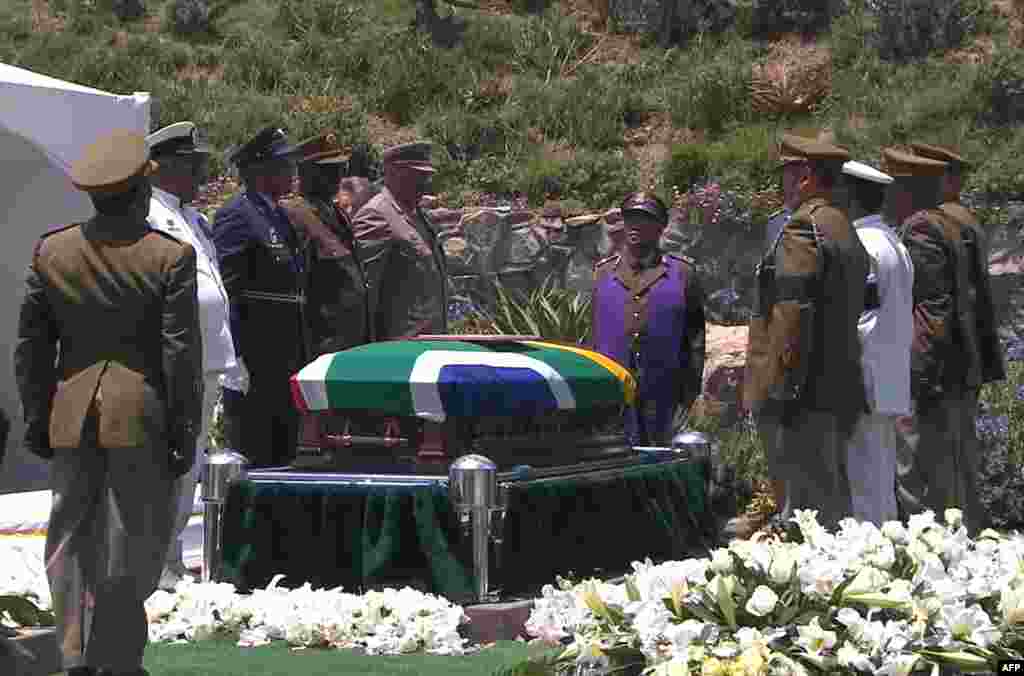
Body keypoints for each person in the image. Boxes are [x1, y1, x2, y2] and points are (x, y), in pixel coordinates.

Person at [14, 129, 202, 676]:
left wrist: (36, 415)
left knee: (67, 537)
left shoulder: (53, 249)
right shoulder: (169, 257)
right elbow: (179, 355)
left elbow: (31, 347)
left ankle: (72, 654)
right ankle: (117, 658)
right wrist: (184, 429)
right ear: (143, 189)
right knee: (133, 540)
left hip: (70, 413)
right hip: (140, 415)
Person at [742, 132, 870, 530]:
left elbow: (791, 316)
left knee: (803, 509)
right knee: (831, 494)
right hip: (837, 381)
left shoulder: (802, 227)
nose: (782, 183)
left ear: (806, 176)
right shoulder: (841, 225)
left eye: (787, 173)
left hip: (802, 391)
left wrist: (779, 386)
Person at [145, 121, 237, 590]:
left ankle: (173, 558)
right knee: (166, 461)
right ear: (162, 167)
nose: (201, 173)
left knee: (190, 462)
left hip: (204, 358)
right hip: (171, 360)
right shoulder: (147, 214)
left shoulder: (193, 218)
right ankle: (156, 564)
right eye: (192, 165)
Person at [887, 147, 997, 533]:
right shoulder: (962, 221)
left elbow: (932, 308)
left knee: (918, 468)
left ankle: (930, 548)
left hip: (934, 367)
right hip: (966, 361)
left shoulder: (921, 228)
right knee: (961, 463)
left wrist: (918, 372)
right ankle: (968, 542)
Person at [211, 126, 307, 468]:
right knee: (256, 450)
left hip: (285, 355)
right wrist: (235, 356)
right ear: (259, 170)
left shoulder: (275, 213)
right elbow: (229, 289)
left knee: (285, 452)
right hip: (256, 356)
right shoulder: (236, 215)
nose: (292, 173)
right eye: (284, 165)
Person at [591, 191, 706, 446]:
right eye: (629, 218)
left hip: (663, 392)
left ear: (660, 227)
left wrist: (688, 395)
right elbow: (594, 336)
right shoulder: (603, 273)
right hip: (614, 392)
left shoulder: (681, 274)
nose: (634, 226)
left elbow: (694, 340)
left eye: (644, 219)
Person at [840, 159, 914, 526]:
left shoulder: (863, 246)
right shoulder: (893, 242)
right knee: (881, 480)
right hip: (890, 376)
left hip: (865, 378)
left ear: (850, 197)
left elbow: (860, 318)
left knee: (863, 483)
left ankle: (873, 567)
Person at [282, 133, 370, 354]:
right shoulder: (296, 215)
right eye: (328, 171)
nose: (337, 177)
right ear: (306, 172)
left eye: (340, 169)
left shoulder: (337, 212)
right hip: (323, 343)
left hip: (352, 340)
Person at [353, 142, 448, 340]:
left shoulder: (418, 214)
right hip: (401, 343)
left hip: (432, 339)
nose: (425, 183)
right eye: (417, 176)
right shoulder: (376, 214)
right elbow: (365, 291)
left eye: (426, 176)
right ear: (393, 173)